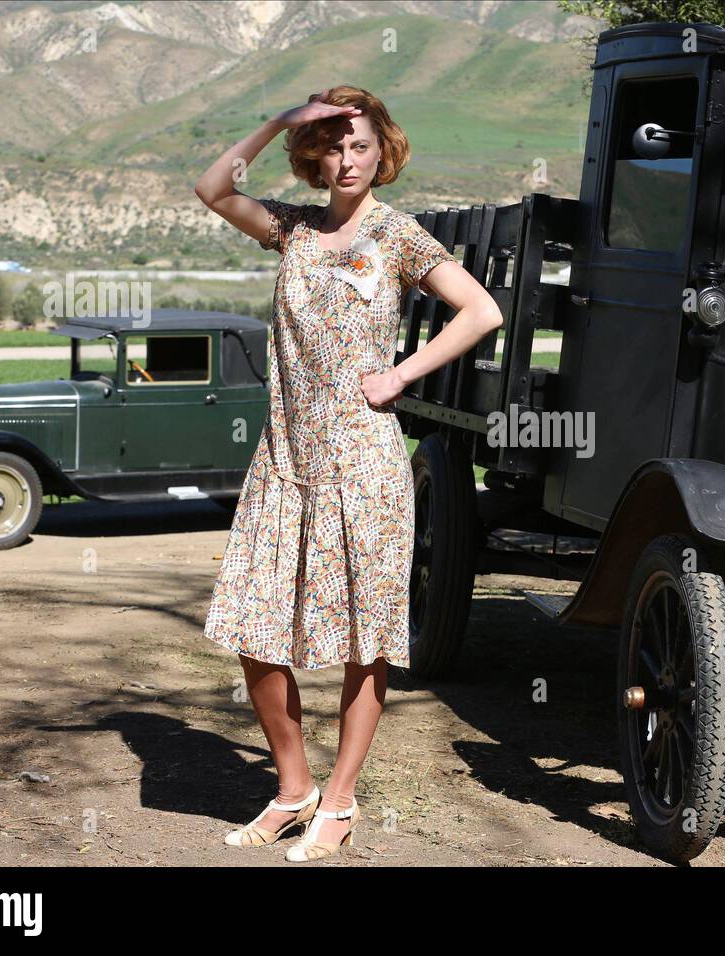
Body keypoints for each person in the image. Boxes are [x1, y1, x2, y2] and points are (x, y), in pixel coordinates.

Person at [193, 85, 503, 861]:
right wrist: (275, 120)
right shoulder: (290, 231)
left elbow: (481, 311)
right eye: (331, 146)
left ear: (382, 151)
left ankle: (339, 803)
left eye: (359, 145)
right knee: (254, 629)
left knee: (367, 640)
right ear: (313, 156)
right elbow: (213, 189)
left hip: (364, 465)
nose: (346, 160)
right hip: (285, 461)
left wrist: (401, 376)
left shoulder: (399, 236)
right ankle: (292, 789)